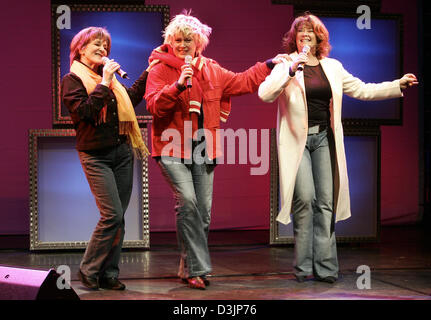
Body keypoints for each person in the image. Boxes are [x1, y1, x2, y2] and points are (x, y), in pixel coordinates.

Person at [258, 13, 418, 283]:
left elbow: (362, 90)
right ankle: (303, 266)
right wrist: (288, 70)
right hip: (297, 143)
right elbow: (265, 93)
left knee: (326, 203)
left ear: (319, 37)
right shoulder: (285, 64)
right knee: (305, 199)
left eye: (311, 31)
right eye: (301, 32)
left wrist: (396, 85)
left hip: (323, 140)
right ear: (294, 38)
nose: (305, 35)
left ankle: (326, 268)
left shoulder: (332, 67)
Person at [145, 11, 287, 290]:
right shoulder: (159, 68)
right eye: (177, 40)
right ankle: (197, 269)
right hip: (172, 144)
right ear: (170, 41)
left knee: (203, 212)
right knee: (187, 202)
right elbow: (154, 106)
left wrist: (270, 64)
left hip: (203, 145)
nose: (182, 45)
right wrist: (176, 86)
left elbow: (243, 81)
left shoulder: (212, 69)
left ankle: (189, 267)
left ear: (199, 42)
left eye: (188, 40)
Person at [61, 27, 153, 290]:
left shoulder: (110, 81)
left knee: (119, 217)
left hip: (122, 152)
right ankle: (89, 269)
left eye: (105, 47)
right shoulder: (73, 80)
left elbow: (131, 98)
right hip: (95, 155)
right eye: (96, 45)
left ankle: (109, 274)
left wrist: (147, 71)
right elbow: (86, 112)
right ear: (80, 49)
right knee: (111, 214)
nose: (103, 50)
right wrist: (104, 82)